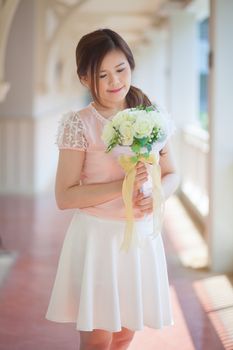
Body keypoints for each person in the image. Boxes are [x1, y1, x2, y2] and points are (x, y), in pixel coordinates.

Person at [46, 28, 179, 350]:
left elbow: (172, 173)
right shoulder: (79, 123)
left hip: (140, 237)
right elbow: (65, 197)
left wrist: (157, 200)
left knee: (124, 335)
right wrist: (124, 185)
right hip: (98, 239)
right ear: (83, 79)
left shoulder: (151, 114)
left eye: (120, 69)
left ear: (131, 64)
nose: (114, 81)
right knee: (97, 339)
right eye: (101, 75)